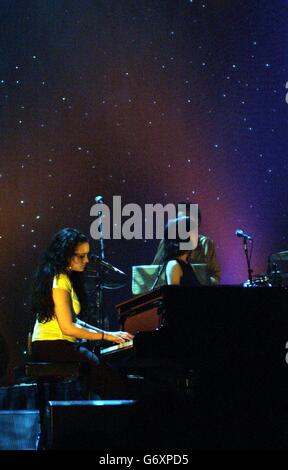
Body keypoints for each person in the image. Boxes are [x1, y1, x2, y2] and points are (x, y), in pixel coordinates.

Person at [30, 227, 133, 398]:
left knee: (104, 373)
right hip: (51, 345)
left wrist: (109, 333)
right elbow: (69, 328)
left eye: (87, 255)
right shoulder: (60, 280)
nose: (86, 260)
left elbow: (75, 320)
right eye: (81, 256)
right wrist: (105, 336)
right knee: (106, 376)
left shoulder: (65, 278)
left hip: (57, 344)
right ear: (65, 255)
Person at [152, 203, 221, 285]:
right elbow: (153, 272)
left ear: (197, 223)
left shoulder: (205, 243)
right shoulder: (168, 243)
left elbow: (215, 276)